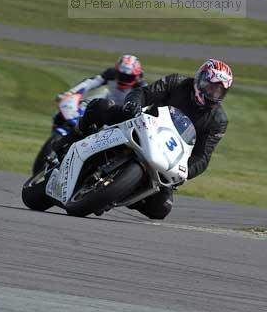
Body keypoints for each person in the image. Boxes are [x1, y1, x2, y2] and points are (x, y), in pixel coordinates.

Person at [77, 58, 233, 220]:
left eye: (219, 91)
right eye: (211, 87)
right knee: (101, 107)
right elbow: (143, 93)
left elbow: (202, 157)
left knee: (162, 207)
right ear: (200, 80)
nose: (213, 94)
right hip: (144, 127)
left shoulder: (218, 121)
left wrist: (184, 172)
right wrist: (134, 104)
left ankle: (120, 193)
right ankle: (76, 135)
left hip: (167, 157)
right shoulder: (176, 82)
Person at [32, 55, 145, 174]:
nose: (123, 79)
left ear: (137, 76)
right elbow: (89, 83)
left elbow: (144, 106)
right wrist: (70, 93)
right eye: (121, 75)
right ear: (116, 71)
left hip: (119, 117)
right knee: (81, 108)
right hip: (103, 106)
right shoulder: (110, 74)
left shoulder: (141, 87)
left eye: (128, 77)